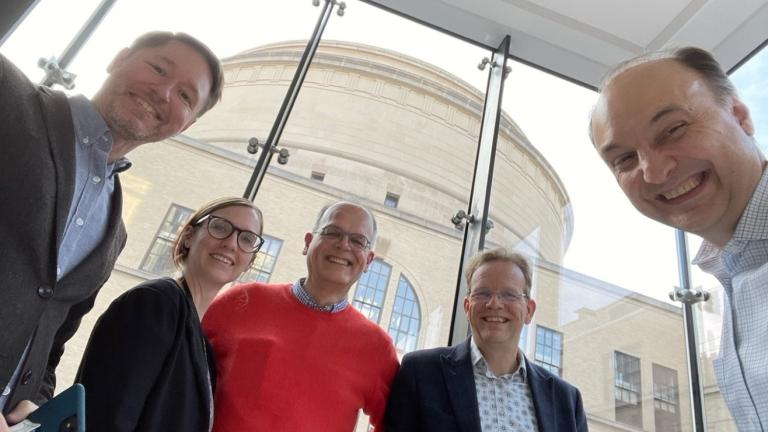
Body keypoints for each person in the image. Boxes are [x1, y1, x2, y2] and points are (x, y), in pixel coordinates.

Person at [0, 31, 224, 428]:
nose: (165, 93)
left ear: (186, 124)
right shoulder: (9, 98)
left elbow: (52, 340)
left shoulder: (115, 231)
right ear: (118, 59)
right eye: (158, 68)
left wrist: (35, 405)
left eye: (186, 97)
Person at [589, 47, 767, 430]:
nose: (654, 172)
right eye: (624, 159)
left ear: (739, 115)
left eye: (673, 129)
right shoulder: (732, 272)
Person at [203, 201, 399, 431]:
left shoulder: (377, 348)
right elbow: (179, 373)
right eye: (332, 232)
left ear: (368, 260)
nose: (344, 244)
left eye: (358, 241)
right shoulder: (242, 300)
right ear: (308, 242)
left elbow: (398, 425)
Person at [75, 197, 263, 431]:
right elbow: (106, 417)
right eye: (220, 227)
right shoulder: (153, 305)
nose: (232, 243)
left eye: (247, 239)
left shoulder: (203, 343)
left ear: (249, 262)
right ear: (188, 236)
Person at [384, 248, 587, 432]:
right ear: (467, 307)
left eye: (509, 294)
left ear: (528, 310)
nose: (494, 304)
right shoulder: (421, 373)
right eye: (482, 293)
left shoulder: (566, 400)